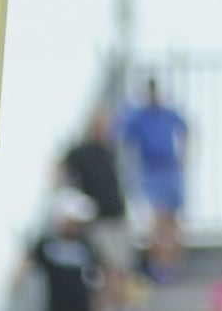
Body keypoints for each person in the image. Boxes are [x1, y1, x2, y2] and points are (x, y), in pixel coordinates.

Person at [62, 106, 134, 310]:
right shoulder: (82, 152)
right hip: (100, 220)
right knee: (109, 267)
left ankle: (121, 302)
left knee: (121, 267)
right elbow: (61, 171)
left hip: (117, 217)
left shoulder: (110, 151)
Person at [119, 77, 189, 280]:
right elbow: (122, 137)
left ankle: (174, 264)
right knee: (159, 221)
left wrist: (183, 157)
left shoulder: (168, 113)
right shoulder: (138, 117)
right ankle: (160, 265)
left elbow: (185, 129)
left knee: (174, 222)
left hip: (171, 170)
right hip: (151, 172)